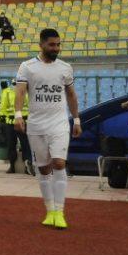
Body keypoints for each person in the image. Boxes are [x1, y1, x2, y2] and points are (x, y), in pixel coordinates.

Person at [15, 29, 81, 229]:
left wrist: (76, 120)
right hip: (36, 124)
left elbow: (71, 95)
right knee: (43, 168)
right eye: (52, 45)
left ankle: (60, 212)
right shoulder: (27, 67)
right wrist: (18, 115)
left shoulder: (65, 68)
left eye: (58, 44)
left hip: (59, 123)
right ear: (41, 44)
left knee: (59, 163)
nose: (56, 48)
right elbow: (20, 92)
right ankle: (50, 210)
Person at [0, 80, 31, 174]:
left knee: (25, 144)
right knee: (11, 144)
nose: (15, 86)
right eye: (14, 84)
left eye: (16, 84)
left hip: (23, 121)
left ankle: (27, 166)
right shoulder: (7, 92)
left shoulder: (27, 92)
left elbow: (30, 106)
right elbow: (3, 106)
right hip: (10, 121)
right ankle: (12, 166)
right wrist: (2, 117)